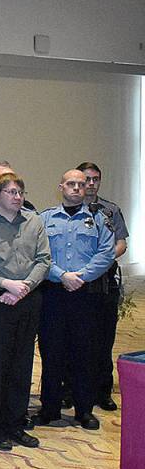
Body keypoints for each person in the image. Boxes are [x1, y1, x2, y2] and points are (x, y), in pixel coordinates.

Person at [0, 172, 50, 450]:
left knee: (22, 364)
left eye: (21, 193)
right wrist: (7, 285)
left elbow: (44, 260)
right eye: (12, 193)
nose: (18, 198)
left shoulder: (34, 222)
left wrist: (24, 287)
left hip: (27, 299)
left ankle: (16, 423)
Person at [36, 169, 115, 430]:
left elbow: (106, 253)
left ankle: (84, 410)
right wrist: (62, 275)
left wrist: (81, 276)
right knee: (52, 352)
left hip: (86, 295)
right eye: (72, 184)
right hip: (54, 294)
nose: (78, 188)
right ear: (61, 186)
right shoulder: (45, 219)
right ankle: (49, 409)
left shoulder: (99, 219)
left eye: (82, 185)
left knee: (85, 353)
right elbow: (39, 254)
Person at [79, 161, 129, 412]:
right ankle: (73, 390)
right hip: (77, 283)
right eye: (85, 179)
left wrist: (103, 259)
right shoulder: (69, 210)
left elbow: (121, 242)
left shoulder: (110, 210)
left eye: (95, 179)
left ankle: (102, 390)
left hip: (104, 283)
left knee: (103, 339)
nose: (90, 184)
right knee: (75, 340)